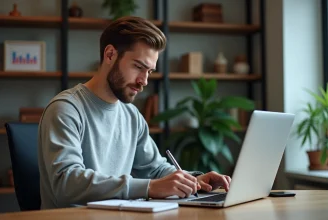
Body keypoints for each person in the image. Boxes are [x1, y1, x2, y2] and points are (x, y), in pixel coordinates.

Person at [38, 16, 231, 209]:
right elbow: (66, 185)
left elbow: (155, 170)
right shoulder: (66, 109)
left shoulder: (132, 115)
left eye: (149, 71)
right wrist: (149, 188)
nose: (144, 81)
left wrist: (195, 180)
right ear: (110, 54)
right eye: (138, 67)